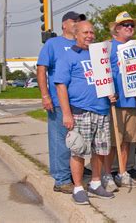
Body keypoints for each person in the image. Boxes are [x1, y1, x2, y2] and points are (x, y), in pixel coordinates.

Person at [54, 20, 114, 205]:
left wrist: (112, 94)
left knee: (100, 151)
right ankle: (78, 187)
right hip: (80, 111)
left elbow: (106, 79)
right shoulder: (68, 57)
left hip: (102, 110)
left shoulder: (99, 55)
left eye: (92, 32)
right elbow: (61, 86)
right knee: (78, 151)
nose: (89, 36)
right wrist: (66, 114)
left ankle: (95, 183)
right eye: (85, 32)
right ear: (76, 34)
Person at [37, 11, 86, 194]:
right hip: (58, 101)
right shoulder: (53, 44)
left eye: (79, 21)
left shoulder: (81, 44)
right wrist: (45, 95)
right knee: (60, 141)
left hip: (80, 103)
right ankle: (62, 179)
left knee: (77, 141)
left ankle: (75, 174)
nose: (77, 24)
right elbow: (41, 69)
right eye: (74, 21)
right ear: (64, 24)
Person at [103, 12, 136, 192]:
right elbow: (102, 74)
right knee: (113, 141)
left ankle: (122, 172)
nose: (129, 28)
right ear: (117, 28)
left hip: (132, 101)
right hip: (115, 102)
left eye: (131, 25)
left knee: (127, 141)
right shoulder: (108, 47)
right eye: (125, 25)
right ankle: (106, 174)